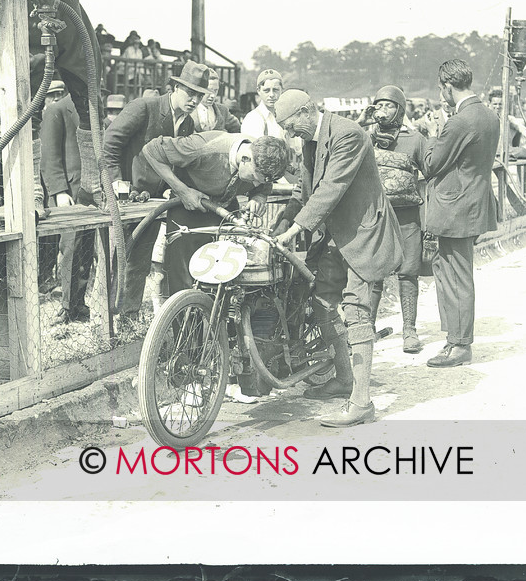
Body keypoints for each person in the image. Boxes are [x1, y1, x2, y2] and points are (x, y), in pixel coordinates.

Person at [272, 90, 403, 427]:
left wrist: (298, 226)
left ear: (305, 111)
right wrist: (285, 219)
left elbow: (331, 187)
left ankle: (361, 403)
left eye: (290, 126)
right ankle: (344, 378)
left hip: (363, 233)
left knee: (356, 310)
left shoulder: (348, 134)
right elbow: (305, 187)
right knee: (323, 303)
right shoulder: (310, 140)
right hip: (334, 234)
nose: (289, 134)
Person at [102, 60, 211, 316]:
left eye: (199, 96)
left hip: (149, 201)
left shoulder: (187, 124)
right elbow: (109, 145)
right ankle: (106, 317)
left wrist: (169, 188)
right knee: (117, 258)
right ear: (174, 87)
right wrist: (116, 185)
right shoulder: (144, 108)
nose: (194, 100)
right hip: (122, 196)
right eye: (190, 93)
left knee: (139, 260)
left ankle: (127, 317)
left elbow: (175, 161)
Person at [143, 131, 287, 295]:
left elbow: (263, 184)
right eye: (254, 178)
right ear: (245, 159)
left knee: (226, 279)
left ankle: (218, 319)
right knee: (183, 280)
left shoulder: (262, 153)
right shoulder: (203, 147)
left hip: (224, 211)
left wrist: (259, 196)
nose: (255, 183)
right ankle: (181, 318)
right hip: (188, 209)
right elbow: (152, 150)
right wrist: (183, 191)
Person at [424, 60, 499, 368]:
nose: (441, 94)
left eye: (441, 89)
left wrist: (432, 132)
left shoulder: (458, 122)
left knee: (455, 276)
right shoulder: (488, 115)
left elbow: (431, 164)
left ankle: (460, 345)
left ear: (447, 86)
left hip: (455, 209)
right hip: (472, 205)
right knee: (452, 272)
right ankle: (454, 340)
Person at [358, 86, 428, 353]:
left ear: (400, 109)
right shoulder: (366, 137)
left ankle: (409, 330)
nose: (383, 112)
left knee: (408, 273)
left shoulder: (415, 140)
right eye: (379, 106)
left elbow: (431, 172)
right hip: (376, 215)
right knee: (374, 273)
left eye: (389, 106)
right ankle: (369, 328)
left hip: (408, 216)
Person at [39, 80, 94, 321]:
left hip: (93, 193)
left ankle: (79, 304)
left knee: (85, 251)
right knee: (70, 249)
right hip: (69, 192)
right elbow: (49, 155)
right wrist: (59, 191)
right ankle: (67, 307)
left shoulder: (94, 111)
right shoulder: (57, 110)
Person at [191, 69, 241, 133]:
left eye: (215, 90)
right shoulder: (189, 109)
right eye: (209, 90)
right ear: (199, 89)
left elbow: (238, 129)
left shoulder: (222, 110)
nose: (213, 95)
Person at [240, 69, 284, 140]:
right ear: (258, 91)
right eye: (266, 90)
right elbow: (255, 149)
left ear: (282, 90)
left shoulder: (287, 116)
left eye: (275, 90)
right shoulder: (253, 119)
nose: (271, 94)